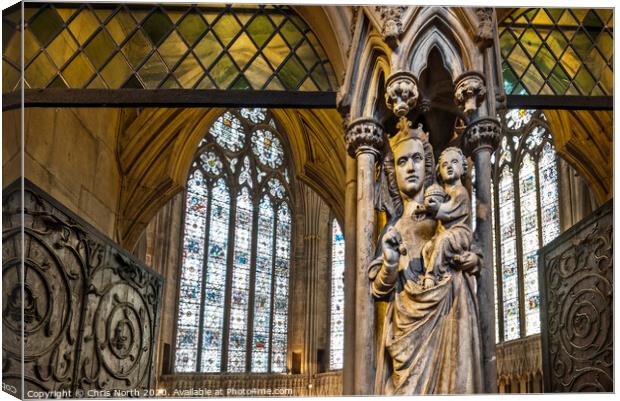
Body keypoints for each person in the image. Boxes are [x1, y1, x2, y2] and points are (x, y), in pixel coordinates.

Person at [369, 119, 483, 395]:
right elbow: (377, 288)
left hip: (451, 313)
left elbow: (473, 247)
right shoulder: (393, 227)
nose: (410, 167)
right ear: (392, 172)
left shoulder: (448, 211)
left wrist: (474, 261)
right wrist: (391, 262)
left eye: (417, 159)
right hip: (406, 330)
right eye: (402, 161)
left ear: (428, 166)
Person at [421, 147, 473, 289]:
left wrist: (434, 208)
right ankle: (441, 272)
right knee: (427, 248)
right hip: (445, 233)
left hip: (460, 234)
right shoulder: (444, 192)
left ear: (463, 168)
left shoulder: (460, 192)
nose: (449, 166)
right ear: (439, 171)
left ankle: (431, 275)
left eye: (454, 162)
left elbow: (448, 212)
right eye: (445, 164)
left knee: (443, 240)